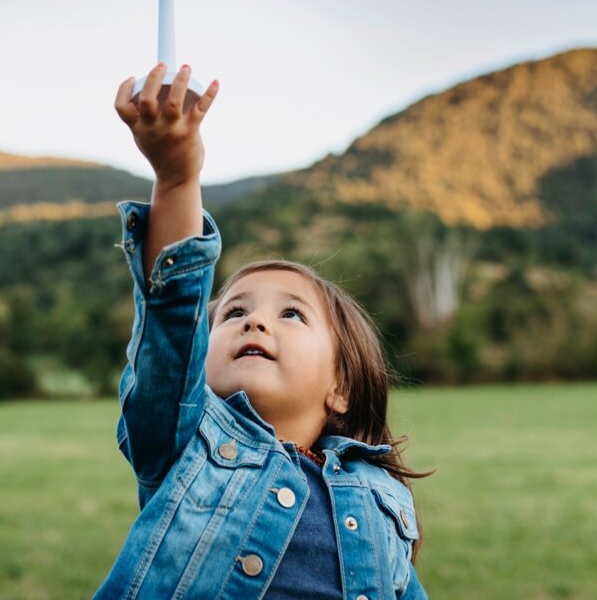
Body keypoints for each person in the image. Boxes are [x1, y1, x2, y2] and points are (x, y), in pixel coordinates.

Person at [93, 63, 430, 599]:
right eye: (231, 313)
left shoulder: (379, 496)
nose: (254, 320)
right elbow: (172, 323)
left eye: (291, 314)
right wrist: (178, 178)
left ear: (340, 386)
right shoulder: (186, 445)